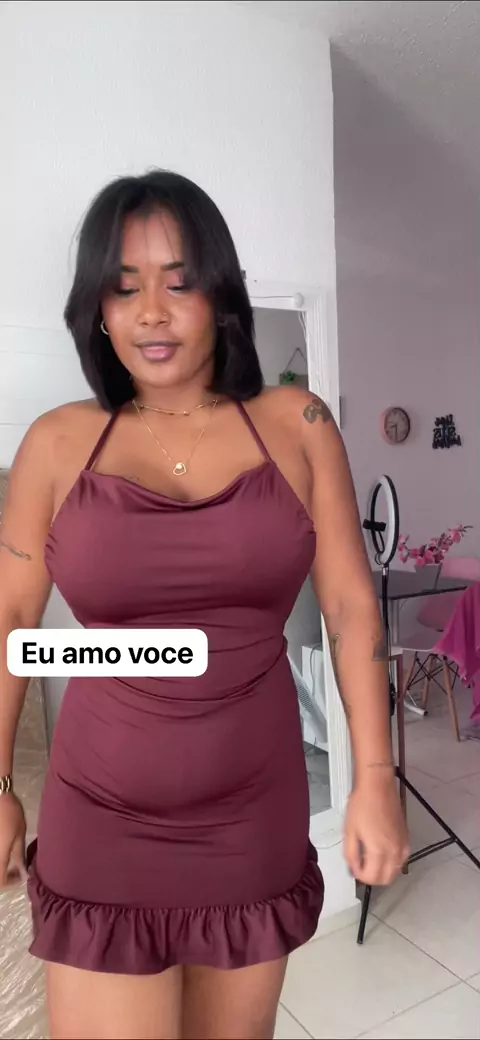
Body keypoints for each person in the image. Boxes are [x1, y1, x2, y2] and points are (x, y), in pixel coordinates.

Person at [0, 170, 409, 1040]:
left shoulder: (298, 424)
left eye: (178, 282)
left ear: (220, 293)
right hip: (101, 815)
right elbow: (10, 622)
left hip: (253, 812)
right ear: (97, 309)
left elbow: (349, 606)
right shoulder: (57, 443)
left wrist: (375, 777)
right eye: (125, 287)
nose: (152, 312)